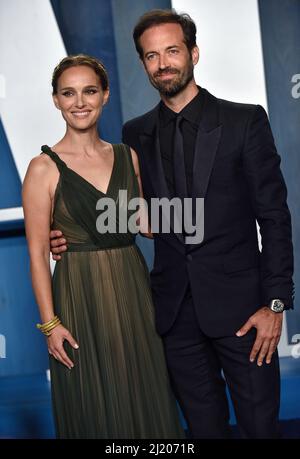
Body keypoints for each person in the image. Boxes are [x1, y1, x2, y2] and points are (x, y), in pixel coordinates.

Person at [50, 11, 294, 439]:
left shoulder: (244, 121)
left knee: (261, 429)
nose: (163, 63)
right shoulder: (136, 133)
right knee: (202, 431)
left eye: (172, 51)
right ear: (144, 65)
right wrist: (71, 234)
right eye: (151, 55)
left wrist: (274, 305)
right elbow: (141, 216)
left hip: (244, 314)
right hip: (173, 316)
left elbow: (273, 217)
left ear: (193, 54)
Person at [22, 54, 185, 439]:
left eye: (89, 91)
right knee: (92, 403)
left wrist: (208, 212)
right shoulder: (42, 168)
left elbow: (142, 222)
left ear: (105, 95)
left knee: (147, 398)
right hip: (79, 299)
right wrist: (50, 324)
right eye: (68, 93)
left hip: (133, 294)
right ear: (56, 100)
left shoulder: (127, 156)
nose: (79, 102)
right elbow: (36, 254)